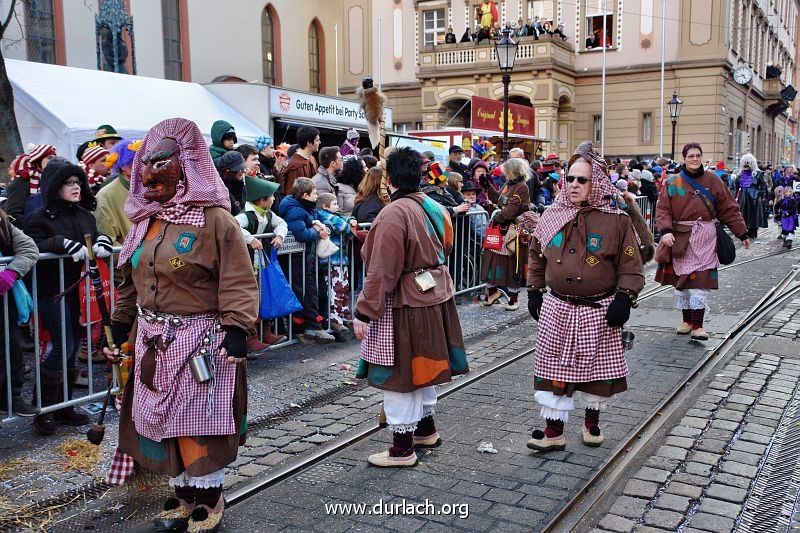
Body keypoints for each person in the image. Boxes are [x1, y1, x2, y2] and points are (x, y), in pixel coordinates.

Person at [104, 118, 257, 533]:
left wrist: (237, 330)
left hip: (201, 340)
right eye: (147, 162)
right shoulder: (143, 222)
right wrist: (120, 327)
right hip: (152, 338)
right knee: (158, 417)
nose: (150, 172)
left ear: (186, 165)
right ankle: (185, 494)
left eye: (162, 162)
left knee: (198, 419)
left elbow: (239, 279)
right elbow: (130, 280)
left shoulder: (215, 221)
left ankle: (209, 497)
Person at [526, 140, 645, 451]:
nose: (574, 184)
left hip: (599, 309)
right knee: (555, 368)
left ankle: (591, 422)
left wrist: (624, 297)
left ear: (596, 183)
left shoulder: (617, 220)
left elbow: (631, 264)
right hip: (557, 307)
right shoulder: (552, 214)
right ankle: (554, 431)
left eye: (582, 179)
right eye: (570, 178)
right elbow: (536, 256)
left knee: (596, 371)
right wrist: (534, 291)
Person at [353, 147, 468, 467]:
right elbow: (444, 245)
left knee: (401, 372)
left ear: (388, 179)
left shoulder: (392, 213)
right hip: (436, 297)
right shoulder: (435, 206)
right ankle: (425, 430)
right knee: (423, 368)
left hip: (404, 303)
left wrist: (365, 311)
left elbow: (381, 269)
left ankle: (402, 449)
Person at [25, 162, 112, 435]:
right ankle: (43, 409)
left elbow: (95, 235)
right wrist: (58, 243)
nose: (76, 187)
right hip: (53, 291)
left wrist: (104, 241)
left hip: (78, 291)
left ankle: (63, 406)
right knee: (62, 346)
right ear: (55, 186)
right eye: (69, 183)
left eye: (78, 182)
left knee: (73, 348)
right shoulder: (39, 216)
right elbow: (30, 244)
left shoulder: (85, 215)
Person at [655, 142, 749, 341]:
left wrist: (742, 233)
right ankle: (687, 321)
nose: (695, 159)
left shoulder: (713, 180)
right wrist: (665, 231)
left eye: (698, 155)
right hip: (681, 238)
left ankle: (698, 326)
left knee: (700, 282)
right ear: (684, 158)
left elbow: (729, 208)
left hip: (706, 238)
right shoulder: (673, 183)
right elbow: (663, 209)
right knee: (683, 283)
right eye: (691, 156)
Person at [235, 176, 289, 352]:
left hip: (260, 263)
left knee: (262, 297)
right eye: (272, 196)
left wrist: (280, 236)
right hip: (246, 264)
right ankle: (250, 337)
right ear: (262, 200)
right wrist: (250, 239)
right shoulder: (245, 216)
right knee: (250, 299)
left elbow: (281, 223)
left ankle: (265, 331)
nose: (274, 199)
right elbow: (233, 226)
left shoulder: (268, 214)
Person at [278, 177, 336, 344]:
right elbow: (301, 234)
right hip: (295, 259)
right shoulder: (294, 209)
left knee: (311, 291)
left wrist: (324, 226)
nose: (317, 196)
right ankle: (300, 328)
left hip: (306, 257)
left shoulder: (307, 207)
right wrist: (317, 231)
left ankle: (313, 327)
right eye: (314, 193)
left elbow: (322, 219)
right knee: (301, 291)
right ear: (304, 195)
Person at [0, 207, 39, 417]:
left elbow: (29, 249)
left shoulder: (4, 223)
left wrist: (12, 271)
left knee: (12, 351)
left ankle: (11, 398)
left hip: (5, 304)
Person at [479, 158, 531, 310]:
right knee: (491, 259)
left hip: (513, 232)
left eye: (506, 172)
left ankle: (514, 299)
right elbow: (499, 200)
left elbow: (509, 212)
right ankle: (493, 292)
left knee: (511, 263)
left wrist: (495, 216)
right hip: (501, 229)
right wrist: (487, 186)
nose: (504, 174)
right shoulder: (508, 185)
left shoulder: (522, 187)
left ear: (513, 171)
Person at [316, 192, 358, 338]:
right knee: (335, 290)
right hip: (331, 262)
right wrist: (350, 224)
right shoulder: (324, 216)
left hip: (341, 260)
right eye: (334, 204)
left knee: (343, 288)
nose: (337, 206)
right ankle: (335, 318)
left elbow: (345, 221)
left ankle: (344, 315)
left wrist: (351, 219)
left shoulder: (334, 216)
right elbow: (343, 227)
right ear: (325, 206)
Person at [5, 144, 57, 227]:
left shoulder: (56, 180)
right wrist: (38, 227)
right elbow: (13, 215)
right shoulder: (22, 182)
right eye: (49, 158)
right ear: (38, 161)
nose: (54, 161)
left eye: (55, 158)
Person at [735, 153, 769, 239]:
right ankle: (745, 231)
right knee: (743, 214)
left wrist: (758, 193)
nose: (746, 165)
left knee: (753, 214)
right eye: (744, 163)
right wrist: (735, 197)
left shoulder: (758, 174)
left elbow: (764, 186)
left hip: (754, 198)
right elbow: (737, 187)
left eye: (748, 163)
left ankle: (753, 231)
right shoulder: (740, 175)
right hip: (743, 198)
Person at [281, 126, 320, 196]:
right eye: (317, 140)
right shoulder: (296, 166)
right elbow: (293, 195)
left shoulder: (311, 160)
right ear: (309, 143)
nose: (319, 142)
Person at [217, 151, 247, 216]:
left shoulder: (243, 186)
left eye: (243, 168)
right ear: (227, 172)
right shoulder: (220, 193)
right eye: (239, 169)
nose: (243, 171)